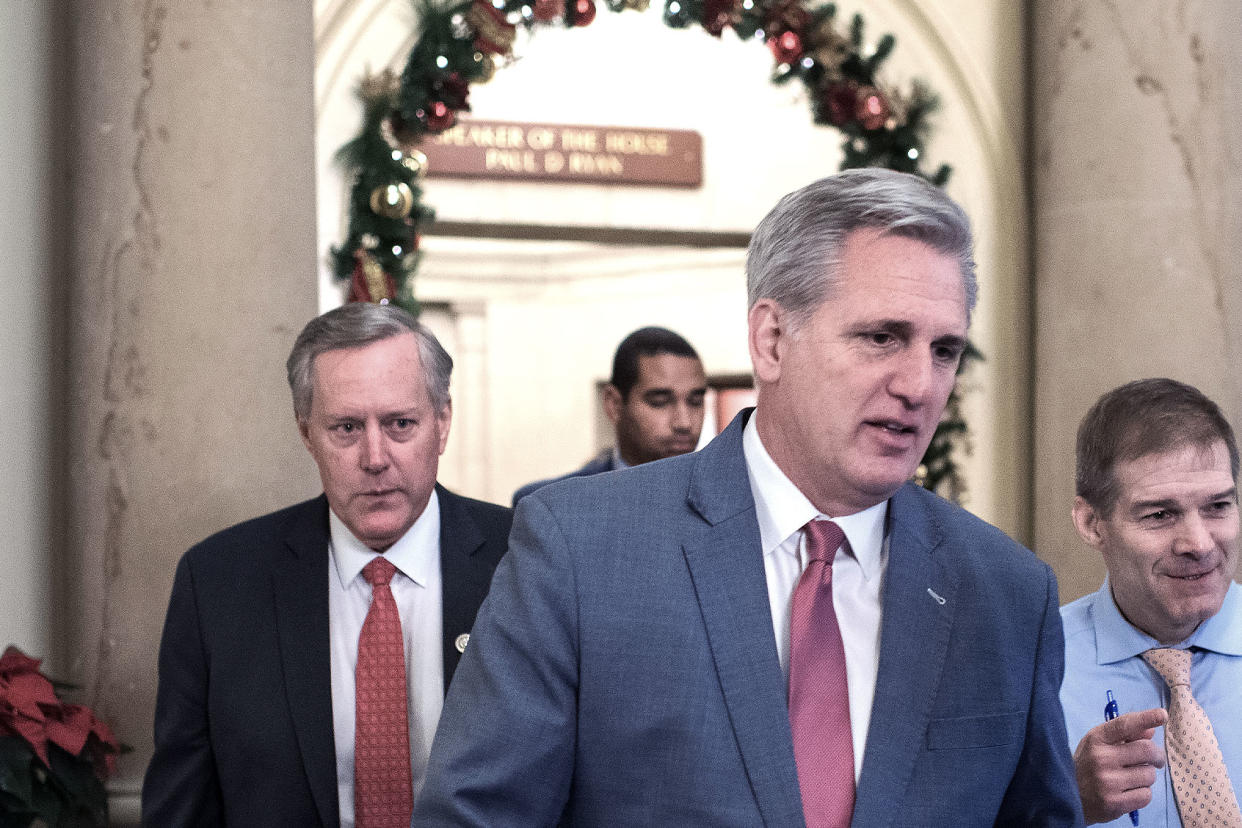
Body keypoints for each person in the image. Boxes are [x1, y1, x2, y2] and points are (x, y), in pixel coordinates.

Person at [414, 169, 1083, 826]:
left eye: (945, 349)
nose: (920, 384)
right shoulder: (582, 551)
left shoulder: (1006, 594)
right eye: (882, 337)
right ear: (771, 340)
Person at [142, 302, 512, 827]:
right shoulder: (219, 583)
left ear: (443, 422)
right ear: (306, 434)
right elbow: (182, 808)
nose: (376, 457)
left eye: (401, 423)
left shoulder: (523, 560)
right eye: (345, 428)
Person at [1061, 378, 1241, 826]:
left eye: (1218, 506)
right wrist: (1062, 801)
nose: (1198, 544)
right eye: (1160, 514)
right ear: (1091, 523)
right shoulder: (1029, 669)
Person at [512, 325, 707, 505]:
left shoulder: (732, 496)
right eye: (660, 402)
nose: (684, 422)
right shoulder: (550, 504)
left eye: (695, 402)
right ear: (614, 404)